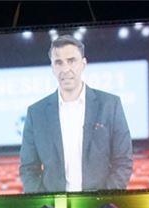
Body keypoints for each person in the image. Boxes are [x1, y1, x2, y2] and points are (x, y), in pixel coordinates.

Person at [19, 35, 133, 194]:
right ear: (52, 67)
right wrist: (46, 203)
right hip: (53, 206)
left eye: (71, 61)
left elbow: (123, 162)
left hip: (101, 204)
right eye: (59, 62)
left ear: (83, 64)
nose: (65, 69)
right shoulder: (36, 113)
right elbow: (28, 168)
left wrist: (104, 200)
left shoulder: (110, 105)